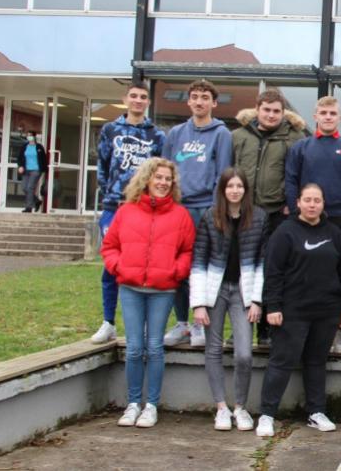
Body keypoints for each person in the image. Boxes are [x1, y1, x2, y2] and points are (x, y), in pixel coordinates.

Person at [101, 157, 195, 429]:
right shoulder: (127, 212)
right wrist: (119, 267)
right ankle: (132, 404)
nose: (163, 183)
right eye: (159, 178)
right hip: (130, 288)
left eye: (168, 179)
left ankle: (151, 405)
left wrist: (175, 271)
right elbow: (109, 246)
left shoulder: (180, 215)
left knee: (154, 347)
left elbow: (188, 251)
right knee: (133, 348)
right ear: (147, 179)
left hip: (162, 290)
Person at [256, 184, 341, 437]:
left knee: (316, 362)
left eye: (317, 200)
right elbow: (273, 273)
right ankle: (267, 414)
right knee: (282, 362)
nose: (312, 205)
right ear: (298, 202)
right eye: (307, 200)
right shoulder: (285, 232)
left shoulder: (334, 233)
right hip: (292, 311)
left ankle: (316, 411)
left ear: (323, 204)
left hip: (326, 311)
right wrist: (273, 306)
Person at [284, 96, 341, 355]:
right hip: (308, 221)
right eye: (323, 112)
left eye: (333, 113)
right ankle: (303, 330)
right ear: (315, 116)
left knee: (340, 275)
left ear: (339, 118)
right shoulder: (301, 148)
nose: (328, 116)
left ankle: (338, 330)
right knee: (308, 273)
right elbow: (291, 180)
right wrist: (296, 210)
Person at [189, 168, 266, 432]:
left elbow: (262, 262)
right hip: (215, 290)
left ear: (245, 189)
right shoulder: (210, 217)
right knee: (213, 349)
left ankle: (240, 407)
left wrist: (257, 300)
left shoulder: (258, 218)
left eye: (239, 186)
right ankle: (221, 408)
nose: (235, 190)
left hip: (242, 292)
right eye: (229, 186)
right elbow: (198, 259)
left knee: (244, 353)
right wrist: (199, 303)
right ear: (223, 190)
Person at [91, 82, 165, 345]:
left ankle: (145, 326)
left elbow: (160, 173)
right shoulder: (110, 130)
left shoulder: (157, 135)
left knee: (144, 264)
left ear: (148, 102)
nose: (138, 100)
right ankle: (108, 322)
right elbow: (102, 164)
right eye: (133, 96)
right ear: (125, 99)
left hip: (142, 208)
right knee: (112, 264)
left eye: (143, 97)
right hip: (114, 207)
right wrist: (109, 193)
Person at [162, 79, 234, 348]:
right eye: (195, 96)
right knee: (177, 268)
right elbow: (165, 172)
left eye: (205, 97)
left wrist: (217, 211)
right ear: (189, 101)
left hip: (206, 208)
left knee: (201, 268)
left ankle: (199, 324)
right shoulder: (175, 134)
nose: (200, 101)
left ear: (213, 103)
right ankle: (181, 322)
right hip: (177, 208)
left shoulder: (221, 134)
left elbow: (223, 175)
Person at [233, 89, 307, 346]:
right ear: (257, 109)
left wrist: (292, 203)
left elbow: (300, 173)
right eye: (267, 110)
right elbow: (229, 172)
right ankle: (241, 326)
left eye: (276, 111)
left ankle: (266, 327)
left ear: (283, 112)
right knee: (242, 269)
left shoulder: (295, 138)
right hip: (244, 212)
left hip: (277, 212)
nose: (272, 115)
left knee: (273, 270)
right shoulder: (239, 136)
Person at [17, 133, 47, 213]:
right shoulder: (24, 146)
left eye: (30, 135)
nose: (29, 137)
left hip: (36, 170)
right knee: (24, 188)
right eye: (27, 135)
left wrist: (43, 169)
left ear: (34, 137)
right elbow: (19, 157)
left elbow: (44, 159)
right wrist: (20, 166)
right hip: (26, 170)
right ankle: (37, 201)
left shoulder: (39, 147)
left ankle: (28, 207)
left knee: (30, 188)